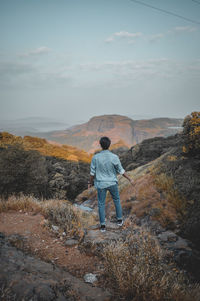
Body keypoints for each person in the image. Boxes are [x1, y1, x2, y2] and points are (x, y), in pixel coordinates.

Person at [88, 136, 134, 232]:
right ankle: (120, 220)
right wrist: (130, 179)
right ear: (109, 145)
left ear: (100, 145)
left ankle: (103, 226)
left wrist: (90, 183)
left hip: (101, 184)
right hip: (112, 183)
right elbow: (121, 171)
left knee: (101, 204)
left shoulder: (95, 158)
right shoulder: (114, 157)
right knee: (116, 200)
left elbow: (92, 173)